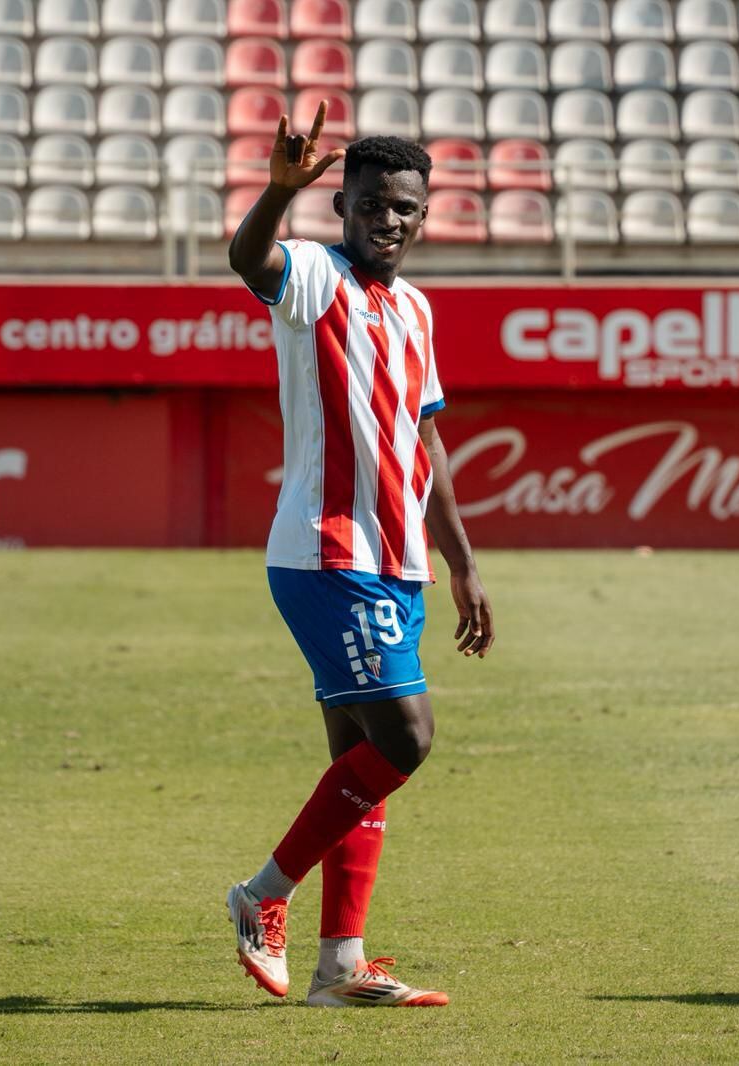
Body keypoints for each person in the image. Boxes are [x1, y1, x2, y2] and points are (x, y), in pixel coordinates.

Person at [223, 105, 495, 1008]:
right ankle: (263, 893)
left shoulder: (416, 309)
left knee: (360, 757)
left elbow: (427, 443)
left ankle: (341, 965)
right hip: (326, 550)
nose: (389, 219)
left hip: (399, 561)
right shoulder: (313, 275)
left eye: (405, 207)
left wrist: (463, 563)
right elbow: (248, 260)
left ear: (424, 215)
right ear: (342, 205)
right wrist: (276, 194)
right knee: (407, 738)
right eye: (373, 203)